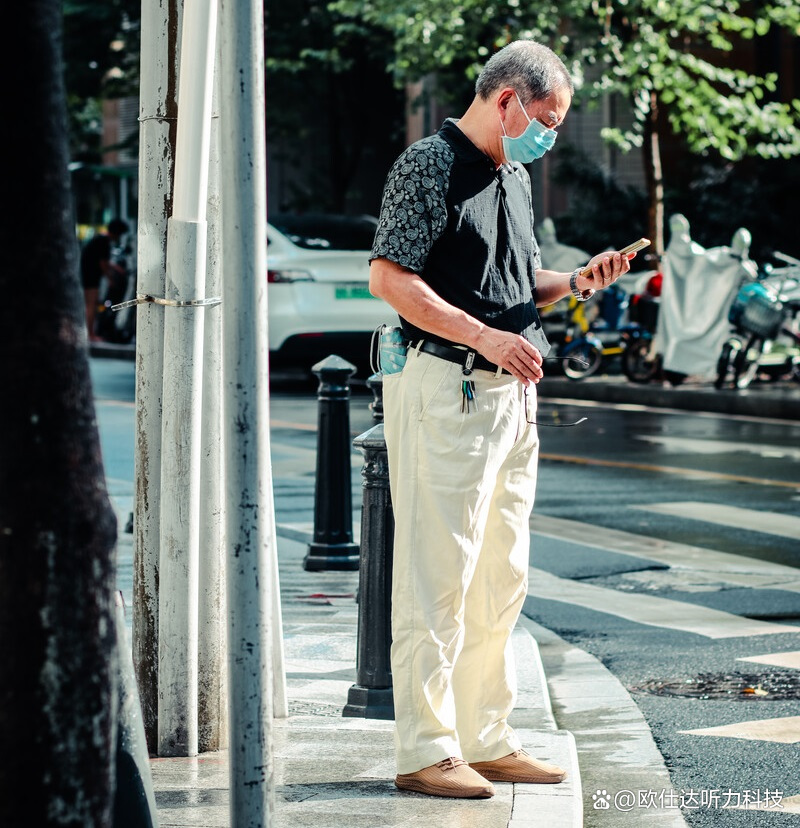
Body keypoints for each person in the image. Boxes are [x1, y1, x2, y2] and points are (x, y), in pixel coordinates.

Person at [368, 40, 637, 799]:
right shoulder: (429, 163)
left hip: (511, 399)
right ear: (507, 98)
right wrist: (484, 336)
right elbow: (389, 276)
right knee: (437, 578)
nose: (549, 135)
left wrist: (578, 281)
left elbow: (517, 283)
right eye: (546, 118)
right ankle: (425, 749)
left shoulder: (513, 176)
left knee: (500, 580)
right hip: (446, 387)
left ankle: (486, 737)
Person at [80, 218, 129, 341]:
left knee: (92, 304)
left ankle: (90, 333)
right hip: (91, 276)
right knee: (91, 305)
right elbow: (103, 263)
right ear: (117, 233)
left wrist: (117, 269)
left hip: (88, 274)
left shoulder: (99, 240)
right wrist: (111, 279)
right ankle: (90, 334)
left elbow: (104, 261)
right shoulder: (104, 242)